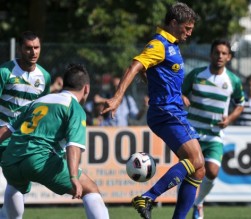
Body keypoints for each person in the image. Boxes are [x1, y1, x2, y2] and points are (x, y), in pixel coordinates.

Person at [101, 2, 205, 219]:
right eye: (186, 28)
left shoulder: (172, 45)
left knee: (198, 170)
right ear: (174, 23)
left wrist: (175, 92)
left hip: (171, 109)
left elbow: (156, 73)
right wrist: (118, 97)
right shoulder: (159, 44)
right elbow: (135, 65)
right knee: (196, 161)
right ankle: (148, 196)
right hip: (167, 112)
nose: (189, 33)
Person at [0, 64, 109, 219]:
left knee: (15, 193)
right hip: (38, 160)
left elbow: (7, 129)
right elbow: (74, 146)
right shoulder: (74, 108)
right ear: (86, 89)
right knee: (90, 188)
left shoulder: (38, 101)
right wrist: (73, 177)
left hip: (11, 159)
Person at [182, 39, 245, 219]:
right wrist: (182, 98)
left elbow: (240, 104)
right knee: (190, 171)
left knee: (212, 171)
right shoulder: (196, 74)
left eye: (224, 53)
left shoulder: (233, 80)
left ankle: (199, 202)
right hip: (191, 133)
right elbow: (181, 93)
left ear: (229, 57)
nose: (220, 56)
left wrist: (230, 119)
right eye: (217, 52)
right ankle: (183, 208)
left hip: (214, 135)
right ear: (211, 55)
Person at [0, 31, 51, 219]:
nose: (33, 52)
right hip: (1, 136)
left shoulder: (45, 76)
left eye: (36, 47)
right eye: (28, 48)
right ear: (20, 48)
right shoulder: (5, 72)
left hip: (22, 142)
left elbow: (42, 110)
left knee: (18, 193)